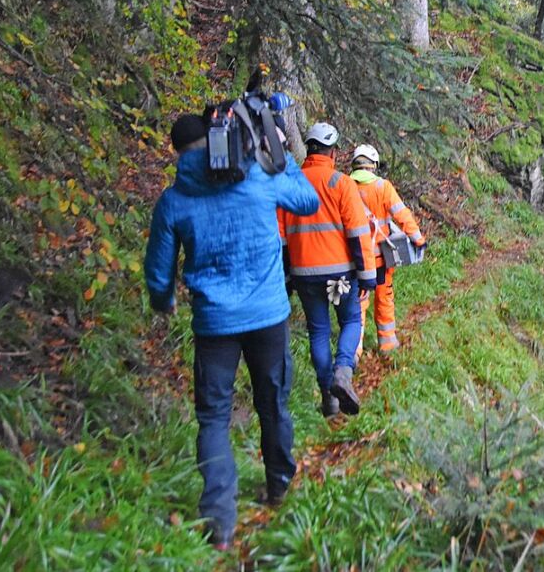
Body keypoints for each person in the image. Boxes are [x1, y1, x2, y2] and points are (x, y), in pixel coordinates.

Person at [144, 112, 319, 550]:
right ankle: (278, 484)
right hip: (268, 317)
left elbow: (159, 271)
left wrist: (163, 301)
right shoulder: (257, 175)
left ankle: (220, 520)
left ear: (177, 153)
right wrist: (278, 154)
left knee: (213, 418)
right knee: (273, 402)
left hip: (214, 323)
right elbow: (306, 201)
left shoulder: (174, 200)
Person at [277, 123, 377, 419]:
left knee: (318, 330)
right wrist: (367, 274)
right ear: (332, 152)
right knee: (350, 320)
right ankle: (343, 372)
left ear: (309, 150)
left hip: (304, 274)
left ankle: (328, 397)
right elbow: (358, 233)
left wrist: (286, 275)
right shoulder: (340, 183)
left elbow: (281, 237)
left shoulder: (290, 184)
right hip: (339, 275)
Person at [349, 144, 426, 357]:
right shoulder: (382, 187)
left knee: (358, 303)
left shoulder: (345, 186)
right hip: (380, 258)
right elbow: (402, 215)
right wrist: (418, 240)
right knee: (384, 298)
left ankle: (354, 350)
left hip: (354, 259)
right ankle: (387, 344)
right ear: (373, 164)